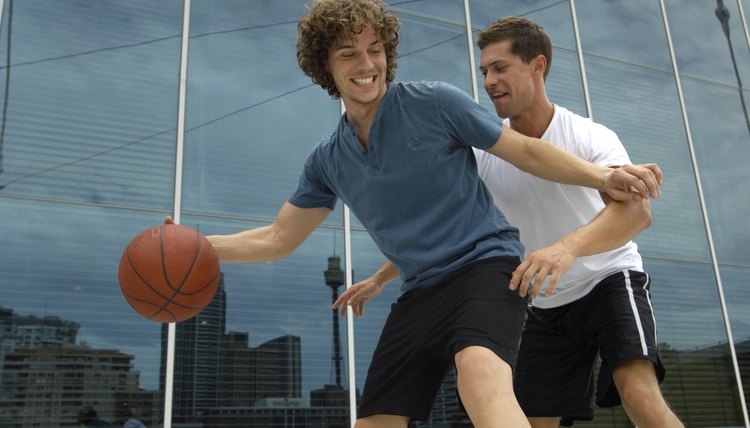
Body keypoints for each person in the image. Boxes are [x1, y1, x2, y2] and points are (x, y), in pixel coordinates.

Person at [175, 1, 661, 426]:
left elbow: (526, 152)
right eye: (349, 54)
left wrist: (602, 178)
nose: (367, 64)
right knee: (376, 419)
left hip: (486, 270)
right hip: (420, 291)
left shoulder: (434, 103)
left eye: (375, 50)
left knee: (480, 374)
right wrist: (194, 247)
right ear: (326, 68)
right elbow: (279, 238)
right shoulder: (327, 159)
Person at [336, 15, 681, 428]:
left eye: (500, 68)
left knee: (637, 390)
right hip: (542, 300)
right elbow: (452, 228)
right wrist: (380, 278)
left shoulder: (589, 136)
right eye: (484, 71)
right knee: (530, 419)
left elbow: (635, 214)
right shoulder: (486, 154)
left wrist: (565, 248)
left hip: (607, 279)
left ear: (538, 65)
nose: (488, 81)